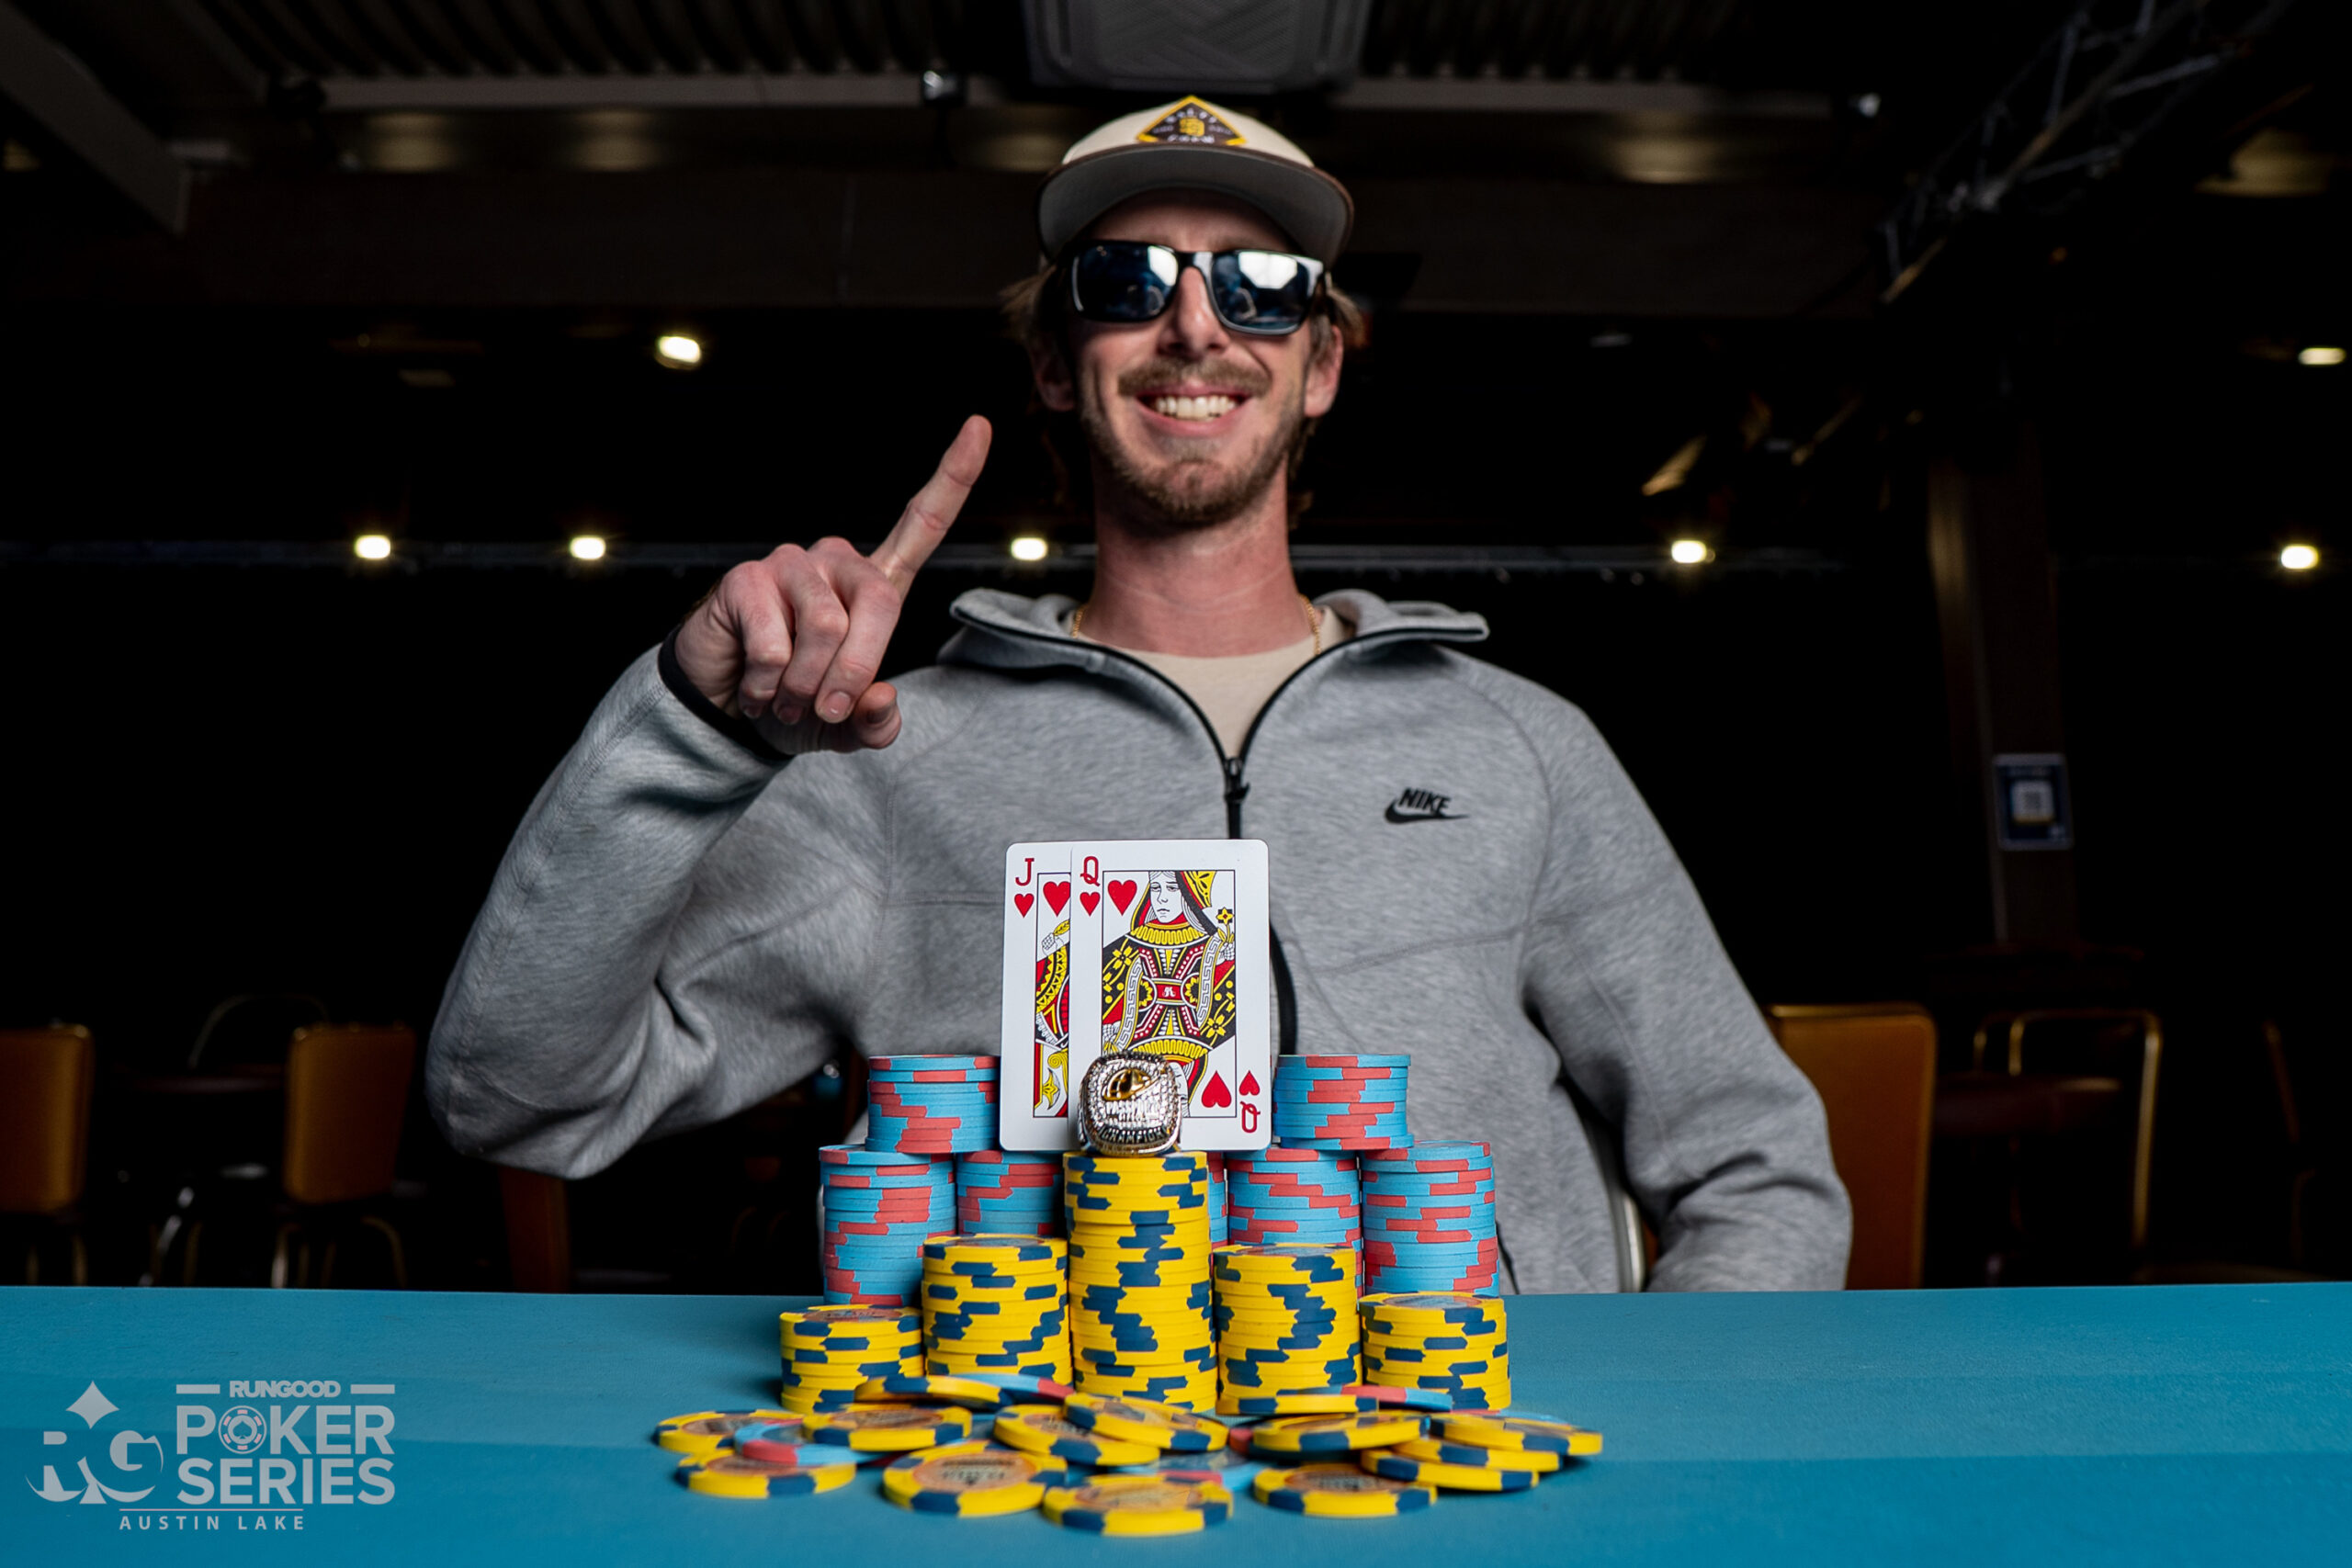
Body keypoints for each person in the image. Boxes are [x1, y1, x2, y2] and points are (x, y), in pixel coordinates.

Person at [428, 96, 1849, 1293]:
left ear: (1320, 364)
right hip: (1041, 1472)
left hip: (1464, 1467)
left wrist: (1636, 1428)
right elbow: (516, 1102)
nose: (1193, 327)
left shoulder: (1516, 744)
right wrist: (689, 732)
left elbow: (1758, 1169)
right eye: (1126, 283)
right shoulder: (887, 758)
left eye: (1261, 284)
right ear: (1058, 365)